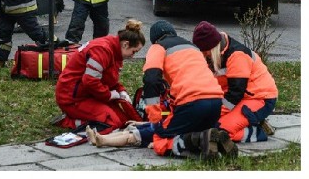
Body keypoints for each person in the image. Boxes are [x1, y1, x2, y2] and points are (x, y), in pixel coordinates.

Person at [87, 21, 235, 159]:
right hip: (215, 103)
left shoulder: (158, 48)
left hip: (193, 103)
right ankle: (209, 139)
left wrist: (155, 117)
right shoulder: (193, 48)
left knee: (159, 138)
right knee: (183, 128)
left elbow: (151, 80)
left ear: (155, 40)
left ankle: (198, 143)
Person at [192, 21, 278, 143]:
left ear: (212, 47)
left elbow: (235, 94)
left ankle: (258, 132)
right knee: (206, 123)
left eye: (205, 51)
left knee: (220, 131)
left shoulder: (237, 55)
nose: (203, 54)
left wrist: (213, 113)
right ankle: (249, 121)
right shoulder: (213, 54)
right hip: (238, 97)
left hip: (260, 98)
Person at [55, 19, 146, 129]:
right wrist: (109, 95)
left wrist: (121, 90)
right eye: (134, 51)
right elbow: (90, 81)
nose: (132, 56)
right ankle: (69, 121)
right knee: (110, 123)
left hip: (87, 94)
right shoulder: (102, 50)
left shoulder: (114, 50)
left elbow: (109, 78)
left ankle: (82, 118)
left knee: (124, 121)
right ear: (126, 44)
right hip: (72, 98)